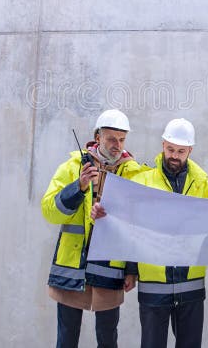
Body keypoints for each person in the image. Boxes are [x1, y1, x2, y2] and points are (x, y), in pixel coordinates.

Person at [41, 109, 142, 348]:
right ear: (97, 137)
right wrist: (79, 186)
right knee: (67, 339)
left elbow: (135, 227)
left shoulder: (134, 174)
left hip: (110, 269)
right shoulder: (72, 166)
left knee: (108, 339)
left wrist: (131, 268)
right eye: (111, 139)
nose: (117, 145)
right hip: (73, 268)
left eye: (122, 139)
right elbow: (49, 210)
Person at [113, 118, 208, 348]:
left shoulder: (203, 184)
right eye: (170, 149)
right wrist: (130, 269)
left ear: (190, 150)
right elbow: (132, 230)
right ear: (162, 145)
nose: (174, 156)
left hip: (190, 284)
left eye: (180, 151)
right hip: (154, 284)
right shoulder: (143, 181)